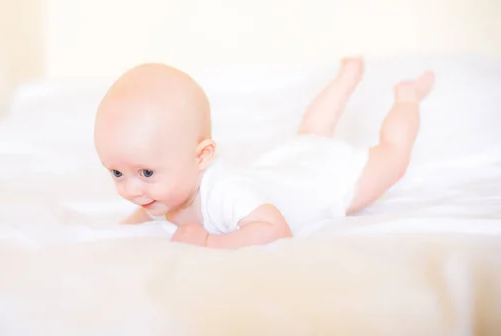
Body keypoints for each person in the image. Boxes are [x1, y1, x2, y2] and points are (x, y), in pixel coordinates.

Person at [93, 58, 434, 249]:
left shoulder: (226, 192)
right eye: (116, 173)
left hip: (327, 181)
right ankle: (345, 80)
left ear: (201, 157)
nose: (131, 190)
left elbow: (274, 229)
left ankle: (407, 98)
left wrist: (210, 242)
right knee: (311, 135)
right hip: (287, 165)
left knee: (393, 154)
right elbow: (147, 213)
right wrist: (121, 230)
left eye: (146, 173)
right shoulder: (161, 193)